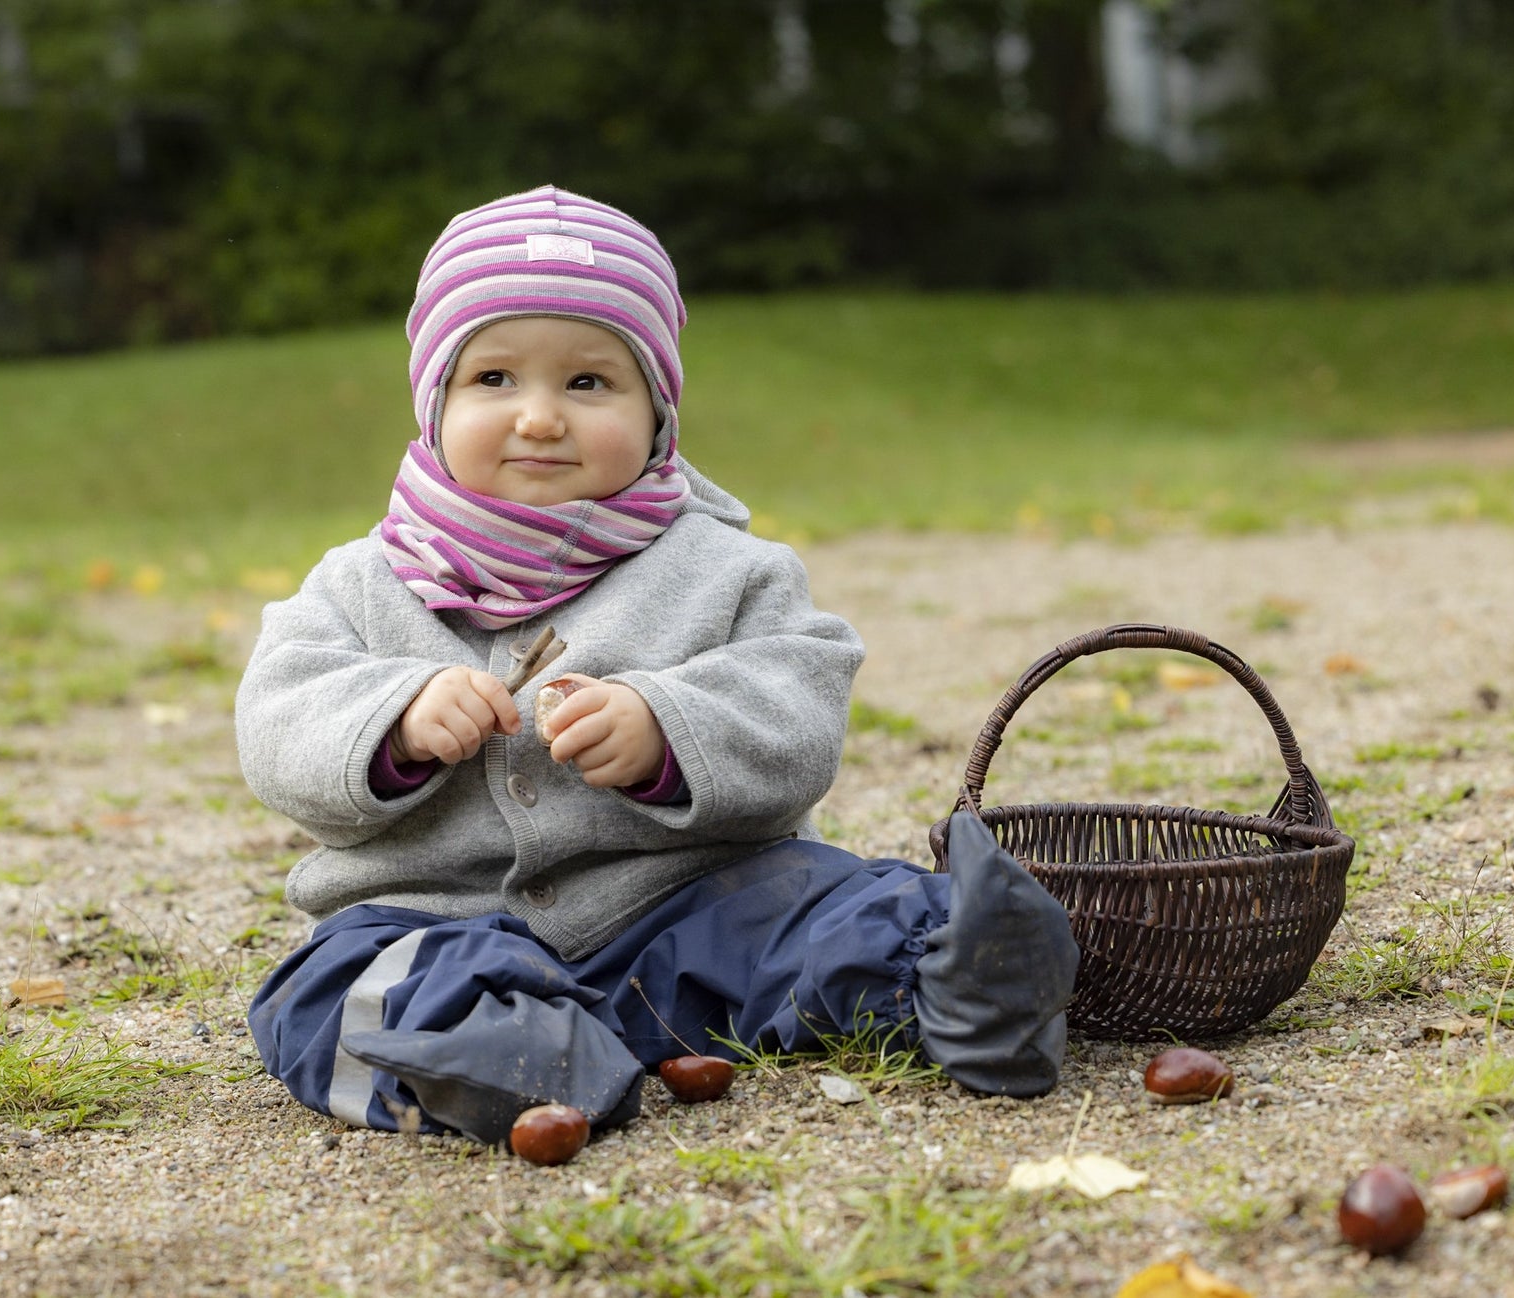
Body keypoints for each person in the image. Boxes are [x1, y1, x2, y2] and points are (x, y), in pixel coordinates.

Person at [237, 186, 1076, 1144]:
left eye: (589, 384)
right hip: (434, 922)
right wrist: (391, 721)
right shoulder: (357, 585)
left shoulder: (727, 570)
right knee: (329, 988)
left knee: (823, 903)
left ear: (658, 410)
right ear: (434, 402)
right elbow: (278, 718)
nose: (541, 417)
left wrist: (667, 729)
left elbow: (796, 708)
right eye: (495, 379)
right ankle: (515, 1057)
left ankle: (964, 972)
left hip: (685, 916)